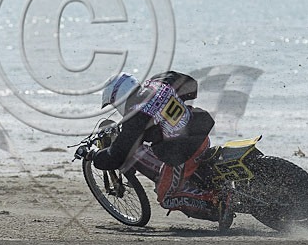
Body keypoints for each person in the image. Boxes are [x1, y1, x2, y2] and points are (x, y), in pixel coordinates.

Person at [84, 71, 219, 217]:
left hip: (186, 154)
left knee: (166, 197)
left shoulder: (136, 117)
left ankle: (216, 203)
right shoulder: (159, 81)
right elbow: (191, 85)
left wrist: (93, 155)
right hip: (201, 133)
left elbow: (117, 155)